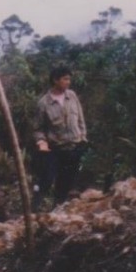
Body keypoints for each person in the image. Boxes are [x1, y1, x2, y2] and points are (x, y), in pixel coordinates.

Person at [31, 65, 88, 208]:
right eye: (65, 79)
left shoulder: (72, 96)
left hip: (74, 146)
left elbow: (80, 118)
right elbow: (37, 128)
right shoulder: (44, 103)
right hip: (55, 148)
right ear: (55, 80)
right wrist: (41, 141)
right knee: (47, 179)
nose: (68, 82)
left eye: (69, 79)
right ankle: (34, 209)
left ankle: (58, 208)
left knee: (66, 180)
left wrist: (83, 137)